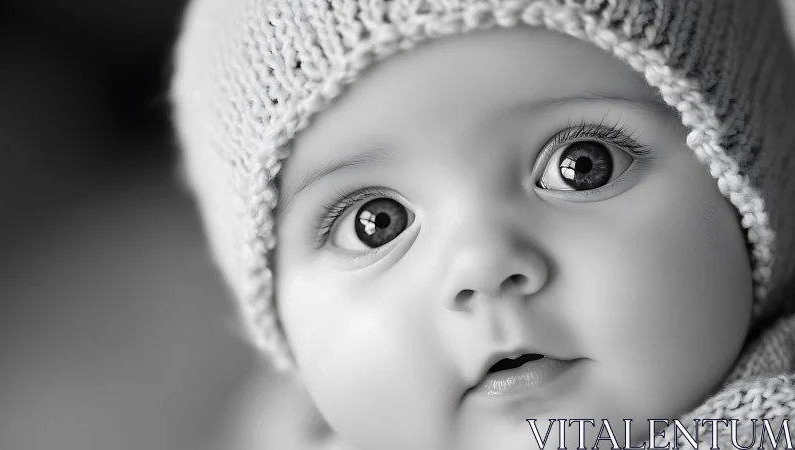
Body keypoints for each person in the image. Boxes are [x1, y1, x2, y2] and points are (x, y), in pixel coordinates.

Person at [170, 1, 795, 449]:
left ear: (754, 173)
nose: (484, 264)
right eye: (374, 224)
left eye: (582, 167)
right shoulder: (285, 426)